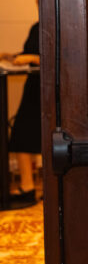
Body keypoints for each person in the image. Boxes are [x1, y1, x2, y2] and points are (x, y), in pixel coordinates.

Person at [3, 12, 40, 206]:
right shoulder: (36, 27)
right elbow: (28, 53)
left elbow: (58, 57)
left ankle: (30, 186)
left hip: (46, 88)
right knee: (21, 135)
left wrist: (32, 58)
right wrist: (11, 57)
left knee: (30, 135)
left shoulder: (55, 25)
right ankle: (27, 185)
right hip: (32, 86)